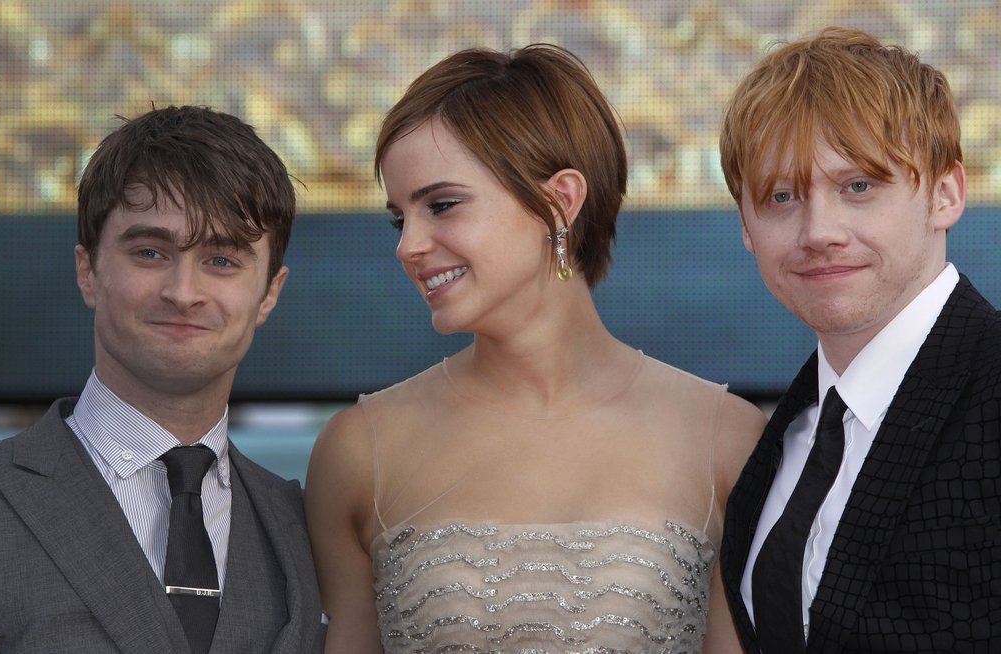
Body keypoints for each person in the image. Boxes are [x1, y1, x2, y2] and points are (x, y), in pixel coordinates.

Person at [305, 44, 766, 653]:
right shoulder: (359, 450)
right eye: (400, 218)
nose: (408, 246)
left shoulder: (726, 440)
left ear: (559, 202)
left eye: (442, 205)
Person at [0, 106, 325, 653]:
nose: (183, 292)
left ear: (269, 294)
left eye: (222, 260)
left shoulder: (308, 526)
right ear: (88, 271)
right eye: (149, 252)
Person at [718, 27, 1001, 653]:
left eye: (858, 186)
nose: (819, 231)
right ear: (746, 226)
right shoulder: (784, 439)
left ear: (946, 194)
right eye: (782, 197)